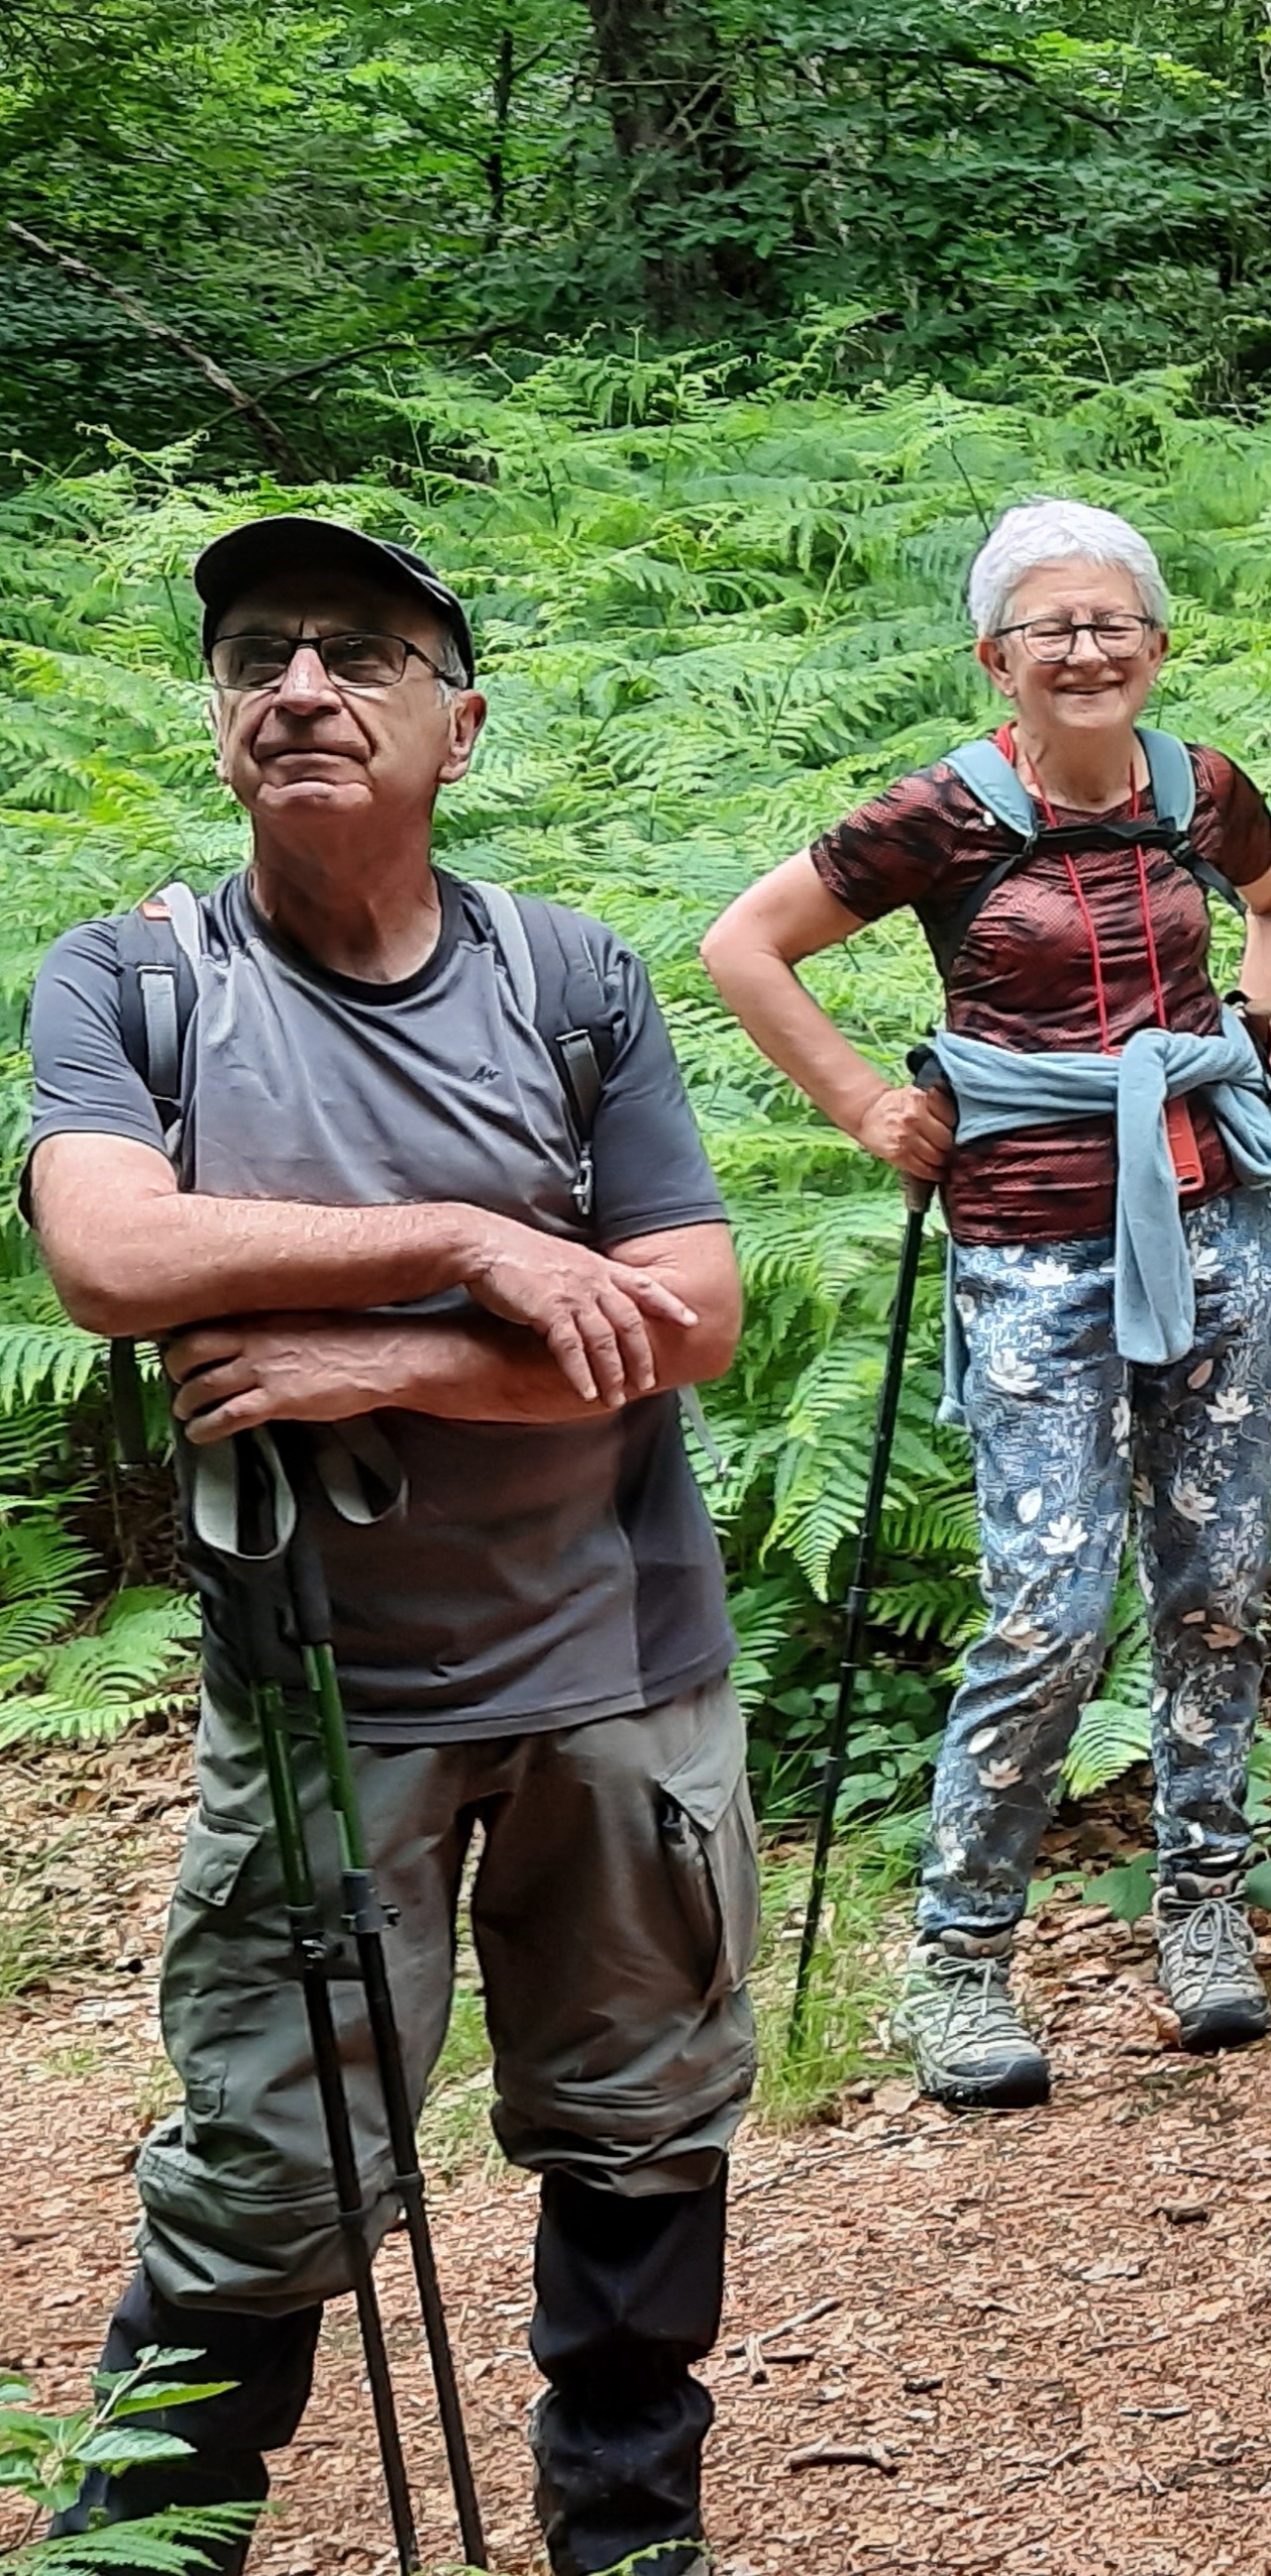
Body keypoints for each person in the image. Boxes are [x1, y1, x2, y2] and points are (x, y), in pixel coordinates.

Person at [22, 519, 748, 2576]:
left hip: (618, 1661)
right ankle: (140, 2553)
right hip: (323, 1690)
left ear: (460, 719)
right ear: (221, 713)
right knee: (264, 2173)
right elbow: (109, 1251)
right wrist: (474, 1248)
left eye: (362, 651)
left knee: (639, 2132)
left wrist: (363, 1357)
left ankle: (629, 2541)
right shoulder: (138, 975)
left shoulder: (569, 977)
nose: (303, 686)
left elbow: (688, 1319)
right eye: (259, 653)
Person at [703, 497, 1271, 2109]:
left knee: (1219, 1588)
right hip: (1029, 1246)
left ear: (1156, 643)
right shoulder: (942, 816)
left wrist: (1257, 1020)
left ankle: (1201, 1915)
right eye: (1050, 626)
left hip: (1217, 1228)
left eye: (1113, 621)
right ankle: (962, 1956)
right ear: (996, 657)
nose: (1086, 647)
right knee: (1049, 1608)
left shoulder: (1199, 790)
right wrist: (861, 1105)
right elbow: (746, 946)